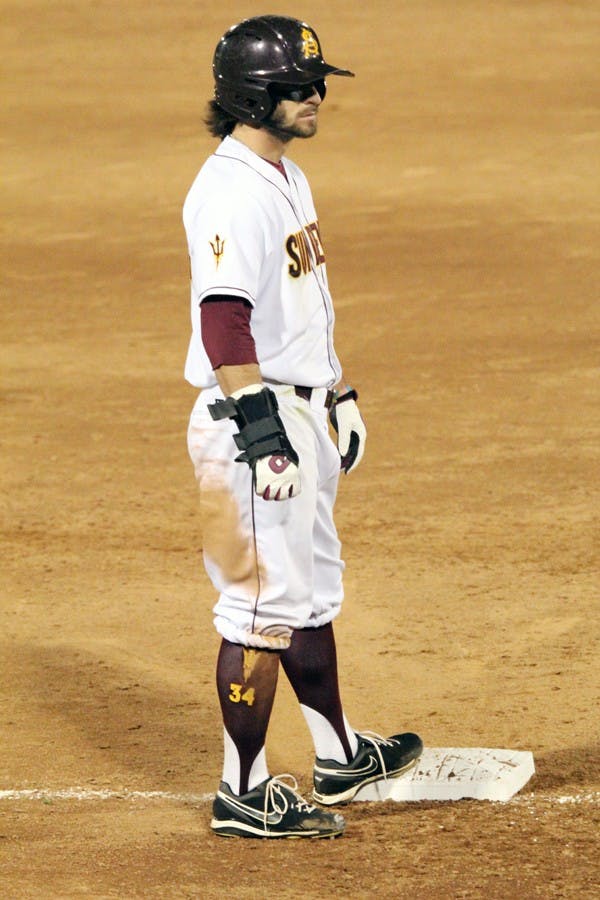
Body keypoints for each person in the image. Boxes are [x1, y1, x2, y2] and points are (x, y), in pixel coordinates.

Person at [183, 15, 423, 839]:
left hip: (295, 406)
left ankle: (337, 752)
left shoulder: (282, 172)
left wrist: (331, 392)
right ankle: (242, 791)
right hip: (251, 422)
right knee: (258, 608)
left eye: (316, 83)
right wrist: (264, 428)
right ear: (255, 95)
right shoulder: (228, 192)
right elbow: (224, 325)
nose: (316, 96)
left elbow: (297, 308)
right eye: (297, 87)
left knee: (312, 588)